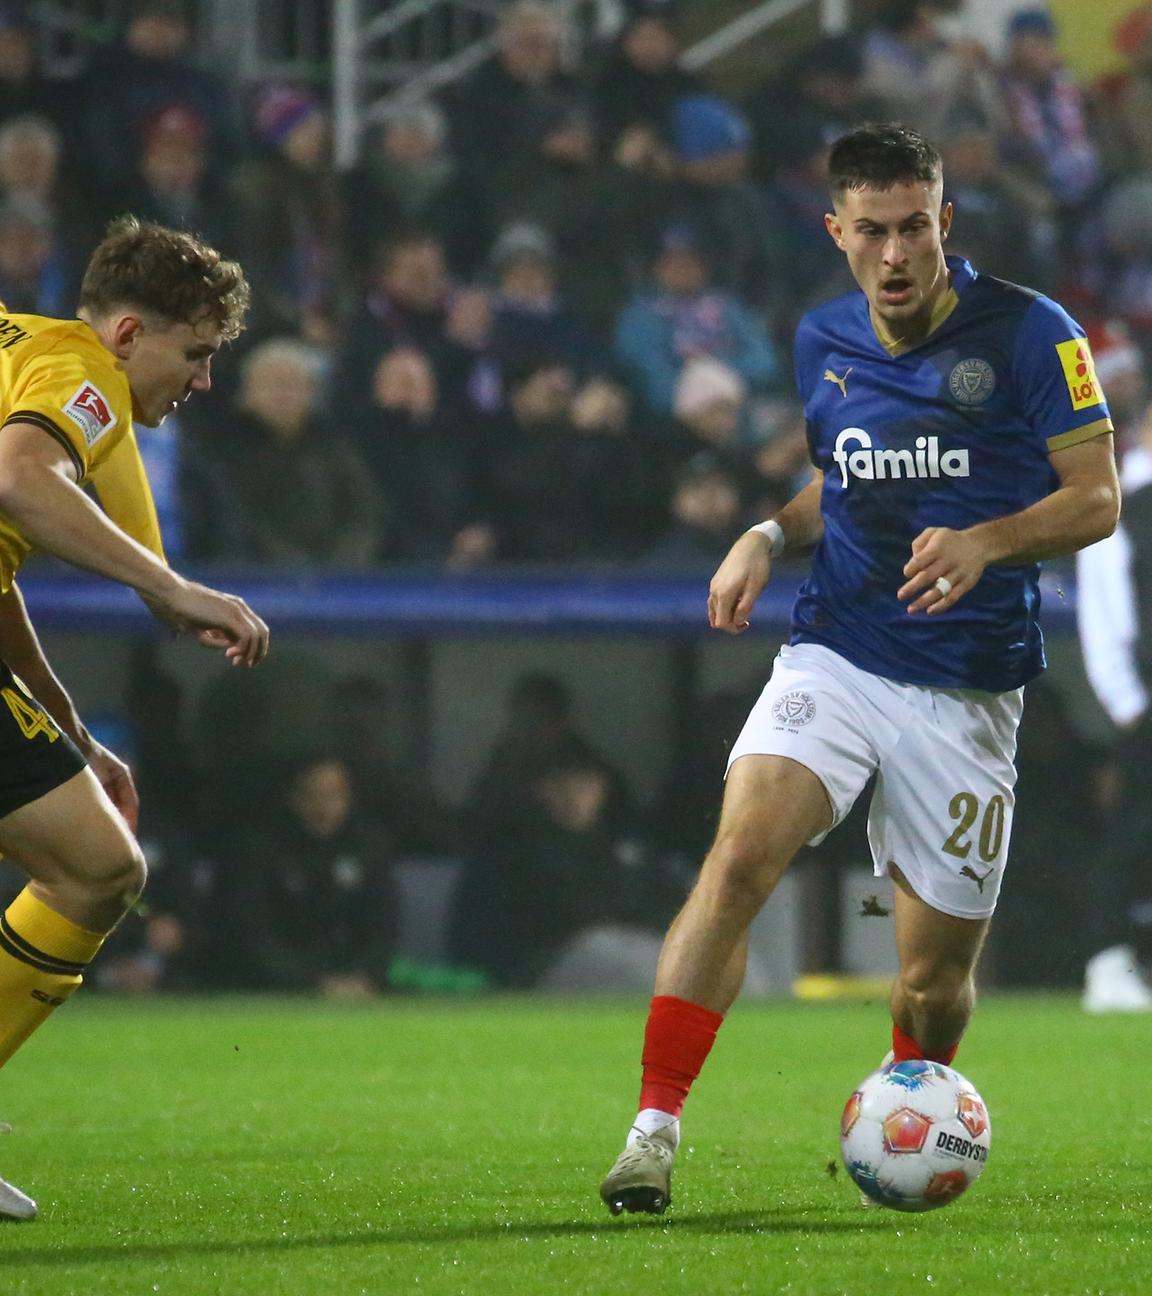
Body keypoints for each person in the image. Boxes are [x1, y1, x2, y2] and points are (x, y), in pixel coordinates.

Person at [598, 123, 1119, 1216]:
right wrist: (765, 535)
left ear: (945, 222)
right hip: (840, 647)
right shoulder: (821, 338)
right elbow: (842, 481)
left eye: (915, 226)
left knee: (932, 984)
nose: (896, 252)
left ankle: (904, 1089)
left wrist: (987, 540)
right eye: (872, 230)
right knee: (740, 855)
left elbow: (1097, 498)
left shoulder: (1032, 333)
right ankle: (652, 1129)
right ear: (837, 232)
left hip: (969, 688)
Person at [0, 214, 270, 1219]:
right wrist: (172, 588)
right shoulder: (87, 380)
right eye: (193, 354)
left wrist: (60, 717)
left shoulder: (17, 344)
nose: (200, 383)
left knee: (92, 860)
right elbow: (20, 482)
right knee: (99, 868)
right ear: (126, 336)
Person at [1076, 406, 1152, 1011]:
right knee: (1133, 833)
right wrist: (1129, 704)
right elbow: (1103, 617)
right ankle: (1108, 962)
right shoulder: (1121, 509)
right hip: (1148, 704)